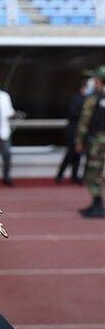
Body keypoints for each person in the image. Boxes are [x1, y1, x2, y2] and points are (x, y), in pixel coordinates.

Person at [75, 66, 105, 218]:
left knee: (93, 172)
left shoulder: (94, 98)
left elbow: (84, 121)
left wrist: (79, 141)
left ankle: (97, 204)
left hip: (97, 142)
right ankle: (96, 204)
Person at [55, 80, 87, 184]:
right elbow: (72, 113)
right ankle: (60, 175)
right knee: (70, 153)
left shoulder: (88, 100)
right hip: (73, 131)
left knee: (78, 155)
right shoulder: (76, 99)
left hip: (81, 132)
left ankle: (74, 176)